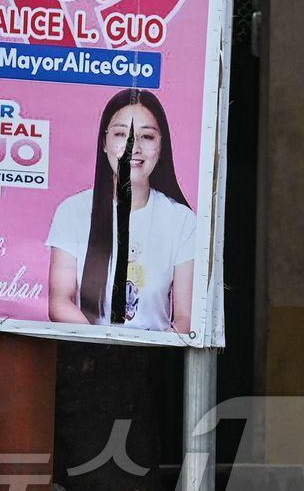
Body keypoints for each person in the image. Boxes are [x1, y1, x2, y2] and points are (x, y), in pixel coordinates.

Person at [46, 89, 196, 332]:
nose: (132, 148)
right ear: (103, 142)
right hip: (86, 351)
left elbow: (185, 318)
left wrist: (149, 353)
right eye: (120, 134)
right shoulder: (72, 212)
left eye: (146, 137)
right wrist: (101, 343)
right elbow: (59, 302)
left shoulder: (182, 221)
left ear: (161, 145)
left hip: (153, 358)